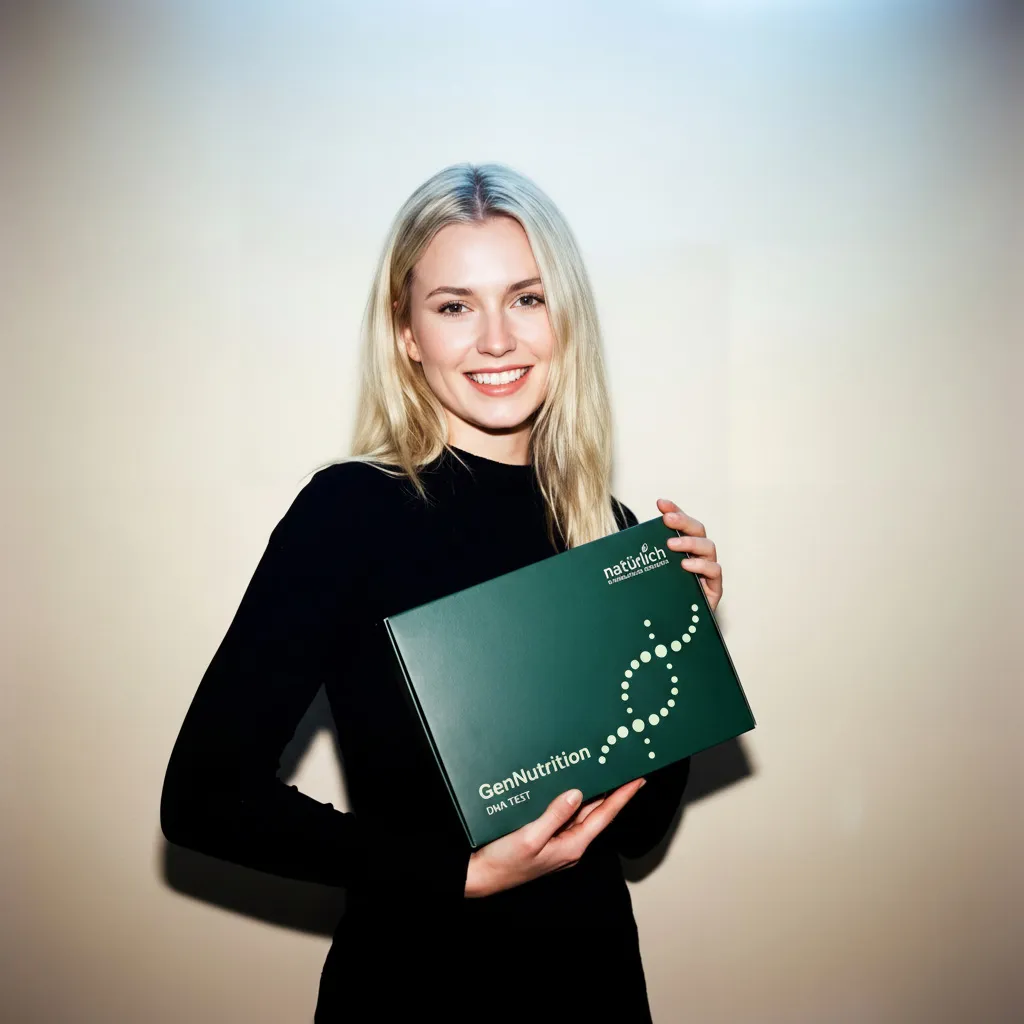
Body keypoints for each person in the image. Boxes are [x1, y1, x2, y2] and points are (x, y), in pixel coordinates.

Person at [160, 162, 724, 1022]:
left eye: (527, 299)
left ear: (566, 318)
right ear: (407, 334)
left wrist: (684, 636)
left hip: (593, 987)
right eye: (455, 306)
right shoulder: (348, 513)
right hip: (414, 988)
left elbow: (638, 834)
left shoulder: (605, 527)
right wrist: (460, 874)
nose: (496, 339)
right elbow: (204, 798)